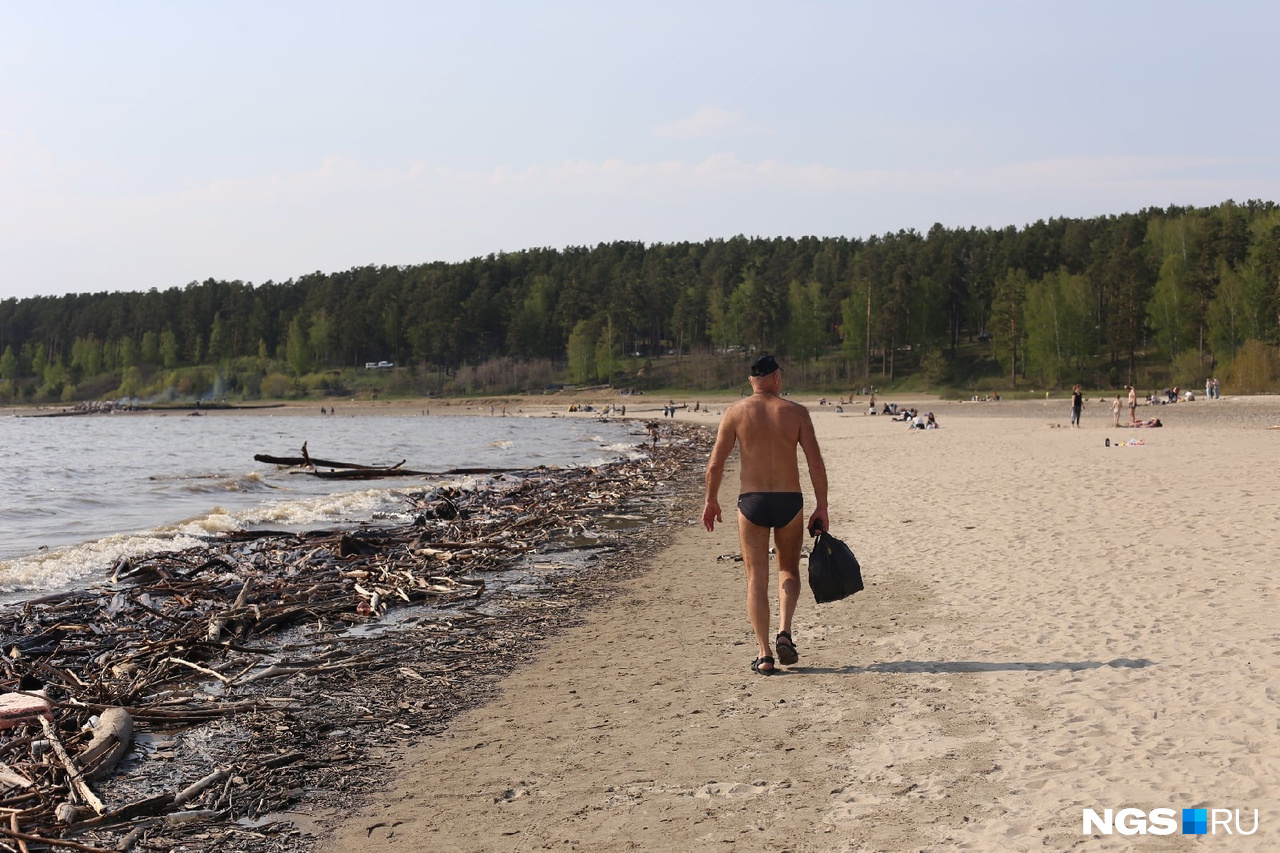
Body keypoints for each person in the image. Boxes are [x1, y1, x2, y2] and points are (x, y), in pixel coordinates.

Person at [702, 354, 829, 676]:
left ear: (751, 381)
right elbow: (815, 464)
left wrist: (711, 500)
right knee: (788, 569)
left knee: (756, 578)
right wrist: (822, 505)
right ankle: (785, 631)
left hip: (752, 501)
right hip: (789, 500)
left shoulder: (735, 413)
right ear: (776, 378)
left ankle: (764, 654)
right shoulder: (796, 413)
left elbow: (716, 464)